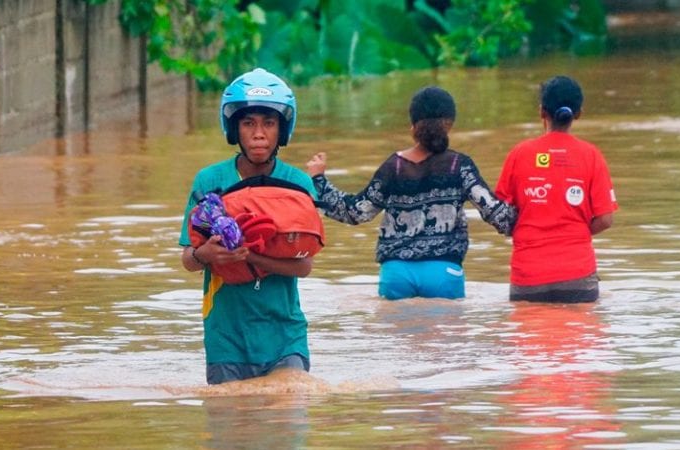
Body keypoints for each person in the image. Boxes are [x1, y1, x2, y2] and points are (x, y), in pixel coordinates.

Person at [307, 86, 517, 300]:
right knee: (448, 334)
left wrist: (318, 180)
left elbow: (355, 212)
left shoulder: (393, 167)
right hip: (443, 273)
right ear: (449, 124)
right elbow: (496, 213)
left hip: (396, 274)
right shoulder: (459, 165)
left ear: (412, 126)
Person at [178, 68, 317, 385]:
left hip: (286, 334)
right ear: (234, 129)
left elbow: (304, 266)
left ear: (281, 130)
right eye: (248, 123)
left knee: (288, 423)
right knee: (233, 431)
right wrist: (206, 255)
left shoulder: (299, 184)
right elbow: (188, 260)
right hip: (226, 337)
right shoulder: (209, 181)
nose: (259, 133)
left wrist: (249, 257)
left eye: (268, 123)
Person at [494, 76, 617, 303]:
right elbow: (605, 219)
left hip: (528, 275)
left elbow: (499, 212)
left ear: (542, 111)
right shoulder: (592, 156)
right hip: (577, 274)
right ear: (579, 113)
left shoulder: (519, 154)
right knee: (580, 337)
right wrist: (574, 234)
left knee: (528, 337)